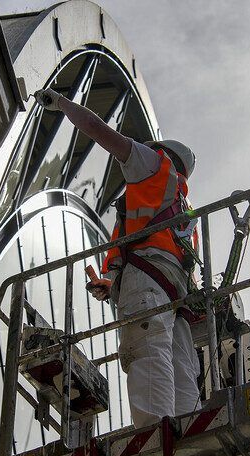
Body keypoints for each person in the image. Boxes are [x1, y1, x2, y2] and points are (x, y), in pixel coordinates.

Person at [34, 88, 201, 428]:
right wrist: (112, 282)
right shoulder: (185, 213)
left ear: (162, 152)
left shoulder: (155, 166)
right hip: (175, 294)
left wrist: (63, 103)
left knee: (146, 350)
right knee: (181, 365)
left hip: (149, 284)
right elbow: (168, 259)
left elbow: (98, 129)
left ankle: (156, 438)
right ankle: (189, 431)